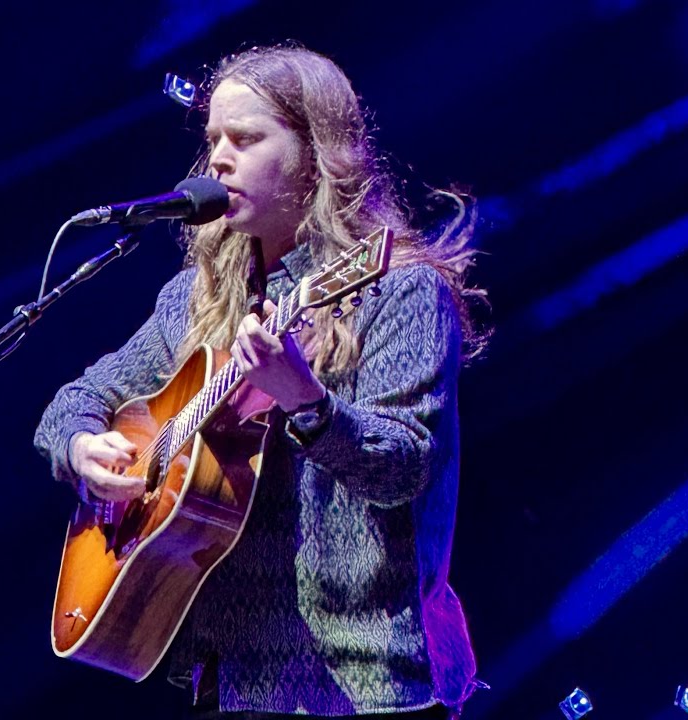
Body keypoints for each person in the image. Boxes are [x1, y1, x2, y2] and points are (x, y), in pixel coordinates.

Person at [34, 44, 489, 719]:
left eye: (245, 138)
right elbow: (74, 402)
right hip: (233, 680)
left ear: (315, 156)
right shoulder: (196, 298)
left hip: (364, 682)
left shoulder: (400, 290)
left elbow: (403, 469)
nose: (218, 157)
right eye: (213, 139)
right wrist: (81, 450)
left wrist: (305, 398)